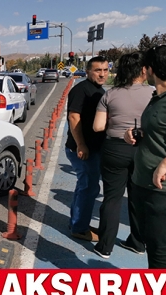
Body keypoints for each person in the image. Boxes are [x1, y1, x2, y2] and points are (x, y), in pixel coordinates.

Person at [123, 44, 166, 269]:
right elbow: (162, 130)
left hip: (165, 190)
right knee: (150, 241)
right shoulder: (158, 95)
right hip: (143, 182)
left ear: (149, 70)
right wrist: (136, 134)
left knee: (159, 248)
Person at [92, 52, 153, 259]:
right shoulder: (154, 94)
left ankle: (105, 245)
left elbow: (98, 126)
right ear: (143, 70)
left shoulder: (110, 94)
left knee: (112, 198)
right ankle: (137, 242)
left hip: (115, 149)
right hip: (144, 151)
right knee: (137, 198)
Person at [65, 56, 109, 242]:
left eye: (105, 70)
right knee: (89, 187)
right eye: (98, 70)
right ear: (88, 71)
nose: (102, 74)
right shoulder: (81, 90)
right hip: (82, 149)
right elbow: (74, 117)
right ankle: (80, 228)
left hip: (93, 147)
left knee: (84, 186)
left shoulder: (99, 90)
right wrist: (81, 145)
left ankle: (77, 222)